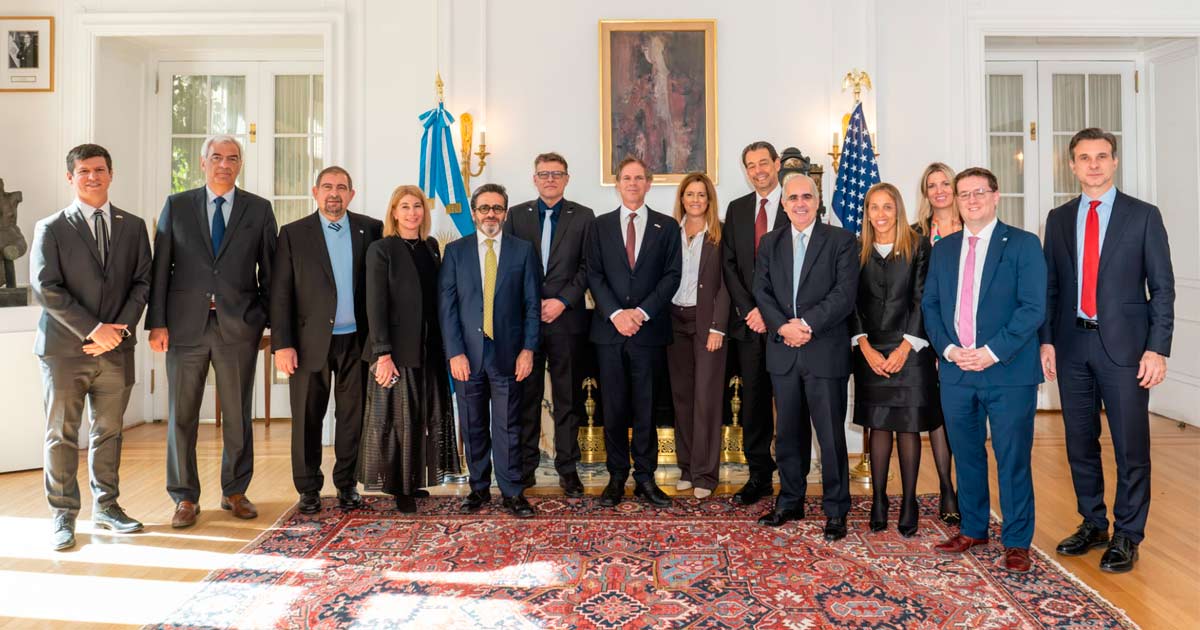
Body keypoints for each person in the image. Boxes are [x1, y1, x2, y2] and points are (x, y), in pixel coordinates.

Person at [1041, 128, 1174, 573]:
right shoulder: (1058, 219)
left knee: (1130, 447)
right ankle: (1093, 523)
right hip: (1072, 344)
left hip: (1127, 350)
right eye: (1084, 157)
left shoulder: (1143, 216)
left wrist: (1157, 348)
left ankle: (1128, 535)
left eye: (1101, 156)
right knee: (1080, 442)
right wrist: (1047, 340)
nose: (1093, 164)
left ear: (1114, 162)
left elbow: (1163, 288)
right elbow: (1052, 288)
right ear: (1073, 165)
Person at [147, 134, 277, 528]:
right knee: (181, 415)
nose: (224, 164)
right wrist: (157, 322)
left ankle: (235, 490)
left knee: (239, 413)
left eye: (232, 158)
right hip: (185, 326)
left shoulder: (258, 209)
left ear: (240, 165)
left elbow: (271, 273)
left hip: (239, 327)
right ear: (203, 162)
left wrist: (268, 322)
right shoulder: (177, 205)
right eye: (217, 157)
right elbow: (160, 269)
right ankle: (185, 497)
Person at [921, 167, 1046, 573]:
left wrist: (991, 352)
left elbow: (1032, 309)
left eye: (979, 192)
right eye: (963, 194)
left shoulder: (1024, 245)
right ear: (955, 201)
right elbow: (931, 307)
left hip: (1008, 372)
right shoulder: (944, 249)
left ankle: (1016, 540)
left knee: (1012, 458)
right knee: (967, 454)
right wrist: (950, 349)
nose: (971, 200)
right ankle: (973, 527)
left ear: (996, 196)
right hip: (957, 371)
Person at [30, 144, 151, 550]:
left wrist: (115, 333)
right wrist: (94, 329)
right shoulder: (51, 228)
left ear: (111, 174)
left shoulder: (133, 226)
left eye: (99, 170)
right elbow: (46, 288)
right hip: (65, 351)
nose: (92, 177)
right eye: (83, 171)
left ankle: (107, 506)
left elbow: (143, 283)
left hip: (115, 351)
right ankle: (63, 516)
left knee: (109, 432)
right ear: (70, 177)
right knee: (61, 435)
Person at [753, 173, 858, 541]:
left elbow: (845, 295)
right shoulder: (770, 242)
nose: (799, 203)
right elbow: (760, 290)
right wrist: (783, 327)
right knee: (788, 436)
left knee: (829, 437)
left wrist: (807, 324)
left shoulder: (842, 241)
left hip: (823, 351)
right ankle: (790, 501)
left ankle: (836, 510)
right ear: (783, 203)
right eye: (792, 197)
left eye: (806, 196)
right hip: (783, 351)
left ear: (818, 200)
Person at [271, 166, 381, 514]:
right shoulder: (292, 233)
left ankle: (346, 484)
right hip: (307, 343)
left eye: (342, 188)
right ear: (315, 191)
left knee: (353, 418)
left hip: (357, 342)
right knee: (307, 418)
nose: (335, 193)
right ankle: (308, 488)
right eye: (328, 187)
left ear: (352, 194)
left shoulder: (371, 229)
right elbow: (280, 293)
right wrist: (282, 344)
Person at [439, 183, 542, 518]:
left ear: (506, 212)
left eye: (497, 208)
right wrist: (455, 353)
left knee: (509, 425)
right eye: (484, 208)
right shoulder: (456, 252)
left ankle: (512, 492)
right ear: (474, 213)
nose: (490, 214)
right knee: (472, 425)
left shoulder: (522, 251)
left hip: (509, 356)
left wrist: (528, 350)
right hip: (467, 356)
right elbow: (448, 308)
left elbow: (531, 306)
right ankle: (478, 489)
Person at [587, 157, 682, 508]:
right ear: (617, 184)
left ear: (648, 183)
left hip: (648, 331)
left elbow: (672, 276)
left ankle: (645, 478)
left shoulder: (666, 227)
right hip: (609, 333)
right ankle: (616, 476)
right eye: (626, 178)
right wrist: (616, 314)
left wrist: (640, 313)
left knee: (646, 408)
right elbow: (593, 274)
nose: (632, 183)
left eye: (639, 178)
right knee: (613, 407)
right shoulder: (599, 226)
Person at [359, 185, 460, 513]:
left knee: (421, 418)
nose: (412, 212)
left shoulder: (431, 247)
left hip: (428, 348)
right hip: (395, 351)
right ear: (394, 212)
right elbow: (375, 305)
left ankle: (413, 481)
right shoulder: (381, 249)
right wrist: (383, 354)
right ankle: (397, 486)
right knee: (396, 421)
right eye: (405, 207)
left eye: (417, 206)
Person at [849, 183, 938, 537]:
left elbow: (922, 299)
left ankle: (909, 500)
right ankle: (879, 500)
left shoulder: (918, 245)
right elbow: (849, 302)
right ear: (866, 213)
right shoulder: (854, 250)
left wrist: (905, 347)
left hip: (911, 349)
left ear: (898, 210)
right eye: (874, 207)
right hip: (869, 348)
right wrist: (865, 347)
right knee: (879, 424)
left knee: (907, 427)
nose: (881, 214)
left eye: (888, 207)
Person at [504, 152, 595, 496]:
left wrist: (562, 301)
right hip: (525, 324)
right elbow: (510, 267)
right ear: (535, 178)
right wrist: (531, 305)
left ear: (567, 179)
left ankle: (567, 469)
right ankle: (526, 468)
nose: (550, 179)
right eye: (544, 174)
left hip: (567, 320)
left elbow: (588, 267)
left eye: (557, 174)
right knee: (526, 397)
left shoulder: (584, 217)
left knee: (566, 398)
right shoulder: (516, 216)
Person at [721, 141, 789, 505]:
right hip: (749, 327)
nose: (759, 170)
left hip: (785, 326)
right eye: (751, 165)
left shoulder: (796, 202)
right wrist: (750, 309)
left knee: (790, 402)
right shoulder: (737, 209)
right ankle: (759, 476)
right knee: (755, 405)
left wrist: (771, 313)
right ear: (745, 170)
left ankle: (791, 479)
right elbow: (729, 264)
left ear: (777, 164)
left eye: (764, 163)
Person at [667, 173, 730, 499]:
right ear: (682, 198)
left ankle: (706, 474)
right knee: (683, 398)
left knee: (706, 399)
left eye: (701, 195)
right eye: (689, 194)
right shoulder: (669, 233)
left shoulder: (720, 234)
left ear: (709, 200)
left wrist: (719, 326)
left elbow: (726, 284)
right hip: (674, 321)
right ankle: (688, 468)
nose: (695, 200)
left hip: (707, 325)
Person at [912, 162, 962, 525]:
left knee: (964, 416)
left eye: (946, 183)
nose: (940, 190)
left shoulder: (974, 226)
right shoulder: (916, 235)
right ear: (926, 193)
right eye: (933, 185)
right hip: (929, 335)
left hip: (970, 335)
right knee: (937, 414)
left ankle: (970, 488)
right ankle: (946, 487)